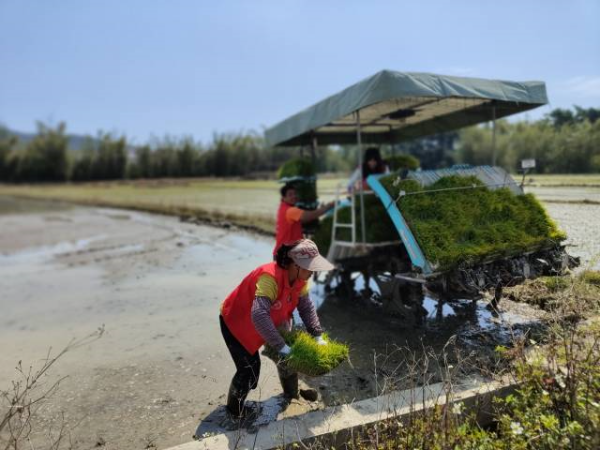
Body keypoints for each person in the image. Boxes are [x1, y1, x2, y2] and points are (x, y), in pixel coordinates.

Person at [219, 239, 334, 418]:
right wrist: (281, 346)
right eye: (310, 268)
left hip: (272, 320)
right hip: (237, 321)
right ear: (295, 265)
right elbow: (258, 314)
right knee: (249, 370)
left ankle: (292, 395)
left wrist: (317, 335)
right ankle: (234, 411)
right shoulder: (269, 278)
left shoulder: (300, 280)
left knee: (289, 360)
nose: (313, 272)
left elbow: (306, 307)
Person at [274, 183, 334, 256]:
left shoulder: (283, 207)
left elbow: (304, 219)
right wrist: (328, 207)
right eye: (290, 194)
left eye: (295, 194)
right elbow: (309, 216)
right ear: (283, 198)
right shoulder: (290, 211)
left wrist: (320, 210)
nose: (294, 196)